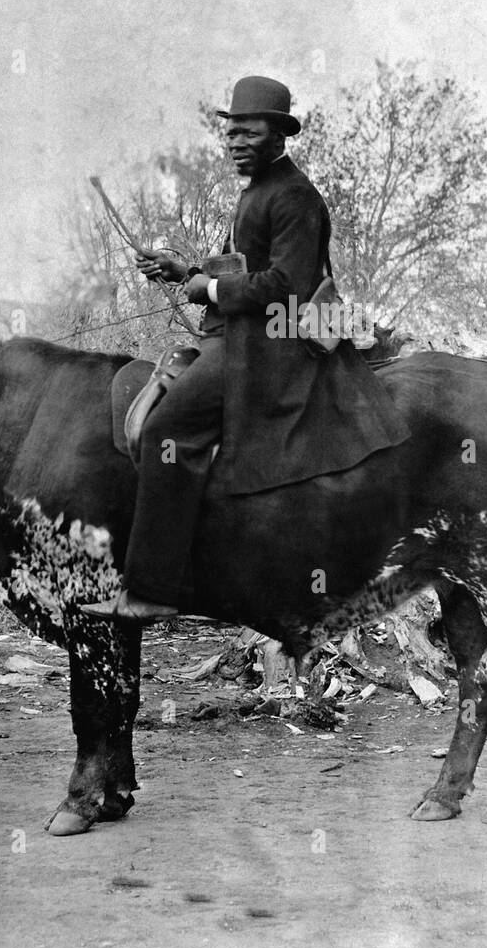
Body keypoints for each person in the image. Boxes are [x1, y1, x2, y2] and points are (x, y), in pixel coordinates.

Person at [83, 75, 408, 626]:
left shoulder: (296, 197)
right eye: (231, 133)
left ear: (280, 135)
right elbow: (247, 269)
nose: (235, 143)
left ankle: (154, 589)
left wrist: (208, 290)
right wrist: (186, 271)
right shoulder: (258, 190)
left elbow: (286, 284)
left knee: (166, 431)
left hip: (271, 352)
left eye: (249, 133)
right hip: (241, 339)